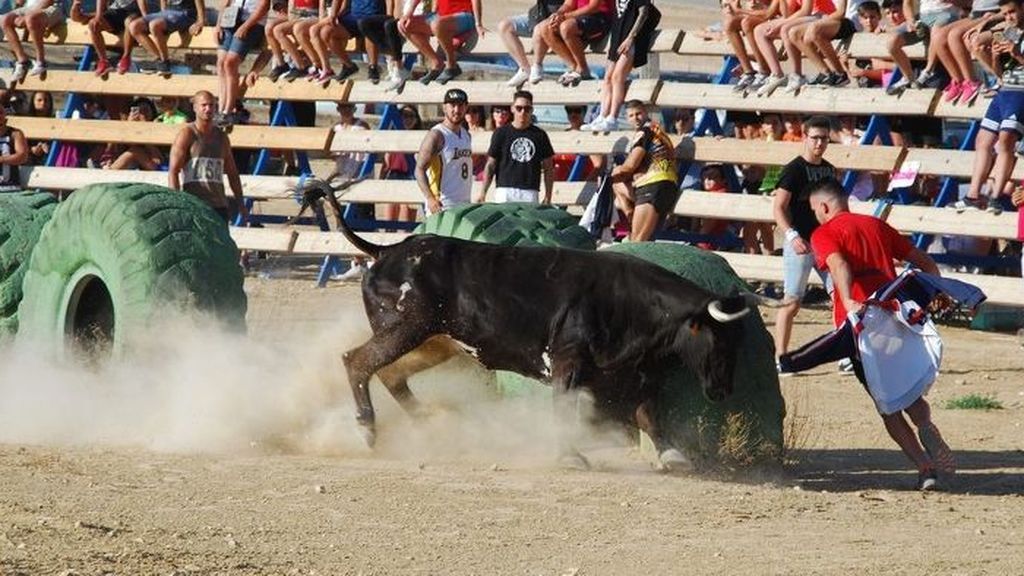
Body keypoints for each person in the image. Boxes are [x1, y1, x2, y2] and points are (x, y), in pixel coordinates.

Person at [799, 177, 954, 491]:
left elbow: (839, 265)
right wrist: (933, 291)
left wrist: (848, 301)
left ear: (824, 207)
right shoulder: (876, 225)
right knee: (907, 390)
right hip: (896, 318)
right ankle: (926, 425)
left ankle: (925, 468)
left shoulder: (824, 233)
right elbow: (925, 262)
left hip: (861, 328)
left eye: (815, 210)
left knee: (886, 401)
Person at [772, 115, 836, 371]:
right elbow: (778, 207)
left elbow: (834, 206)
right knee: (792, 300)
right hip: (800, 241)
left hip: (824, 241)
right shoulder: (794, 169)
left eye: (824, 138)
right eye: (815, 138)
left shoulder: (829, 169)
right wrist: (791, 235)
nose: (819, 143)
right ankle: (781, 356)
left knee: (840, 296)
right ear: (804, 137)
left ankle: (843, 354)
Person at [957, 0, 1024, 212]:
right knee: (983, 140)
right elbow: (1000, 74)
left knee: (1005, 140)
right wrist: (993, 57)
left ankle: (996, 197)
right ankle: (973, 195)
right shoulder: (1011, 32)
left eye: (1012, 12)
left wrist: (1018, 55)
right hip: (1005, 91)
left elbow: (1018, 58)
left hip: (1021, 93)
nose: (1009, 18)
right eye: (1005, 14)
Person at [169, 90, 250, 224]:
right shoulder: (187, 134)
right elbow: (173, 171)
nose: (208, 109)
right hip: (195, 204)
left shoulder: (222, 137)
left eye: (212, 105)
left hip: (219, 206)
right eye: (204, 105)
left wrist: (241, 204)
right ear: (195, 108)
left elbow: (232, 173)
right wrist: (177, 203)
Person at [579, 0, 660, 132]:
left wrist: (631, 37)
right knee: (607, 78)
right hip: (617, 37)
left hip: (631, 39)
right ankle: (602, 116)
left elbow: (643, 13)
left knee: (618, 77)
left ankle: (612, 118)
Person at [610, 99, 679, 241]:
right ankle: (630, 214)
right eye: (631, 115)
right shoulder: (655, 130)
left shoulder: (645, 132)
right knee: (617, 185)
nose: (635, 118)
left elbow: (629, 166)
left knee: (638, 242)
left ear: (646, 112)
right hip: (659, 184)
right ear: (626, 118)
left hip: (657, 184)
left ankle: (630, 215)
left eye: (638, 113)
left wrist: (608, 177)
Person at [477, 90, 555, 204]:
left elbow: (549, 168)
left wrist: (548, 196)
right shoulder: (501, 133)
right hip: (504, 190)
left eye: (527, 109)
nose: (523, 112)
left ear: (532, 110)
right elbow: (491, 165)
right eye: (519, 108)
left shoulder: (540, 135)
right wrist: (483, 193)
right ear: (512, 108)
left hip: (530, 191)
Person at [753, 0, 837, 96]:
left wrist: (780, 24)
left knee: (786, 29)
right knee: (759, 30)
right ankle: (777, 75)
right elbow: (787, 14)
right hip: (809, 17)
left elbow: (806, 11)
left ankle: (796, 75)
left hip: (824, 16)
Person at [884, 0, 962, 94]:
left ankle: (928, 72)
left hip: (946, 13)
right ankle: (908, 77)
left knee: (936, 32)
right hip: (923, 16)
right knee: (892, 43)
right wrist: (910, 20)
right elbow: (907, 3)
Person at [415, 88, 473, 215]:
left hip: (464, 204)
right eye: (452, 105)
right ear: (444, 107)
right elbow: (419, 169)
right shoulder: (437, 135)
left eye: (460, 105)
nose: (456, 110)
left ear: (466, 107)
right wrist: (430, 198)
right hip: (443, 205)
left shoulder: (466, 135)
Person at [398, 0, 485, 85]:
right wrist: (408, 14)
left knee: (437, 25)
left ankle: (452, 65)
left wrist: (478, 24)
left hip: (465, 16)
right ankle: (436, 62)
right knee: (405, 25)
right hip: (441, 17)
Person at [215, 0, 270, 126]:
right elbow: (226, 2)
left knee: (230, 62)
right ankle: (221, 108)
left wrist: (246, 26)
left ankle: (228, 110)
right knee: (221, 62)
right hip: (230, 19)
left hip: (252, 23)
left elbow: (264, 6)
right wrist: (218, 25)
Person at [534, 0, 612, 86]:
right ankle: (574, 67)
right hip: (579, 17)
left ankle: (583, 69)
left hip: (600, 17)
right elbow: (568, 4)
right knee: (545, 27)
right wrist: (558, 14)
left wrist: (565, 17)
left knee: (567, 27)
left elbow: (594, 7)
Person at [129, 0, 205, 76]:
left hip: (185, 12)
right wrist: (163, 15)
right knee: (134, 26)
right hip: (167, 12)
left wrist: (201, 21)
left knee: (155, 25)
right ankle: (162, 60)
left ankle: (163, 62)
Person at [70, 0, 145, 76]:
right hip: (116, 15)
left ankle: (125, 57)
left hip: (133, 14)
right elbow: (80, 18)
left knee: (129, 22)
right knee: (93, 24)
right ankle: (103, 61)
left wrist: (145, 17)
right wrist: (76, 9)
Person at [500, 0, 563, 87]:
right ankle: (524, 69)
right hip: (540, 14)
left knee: (539, 28)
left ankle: (537, 66)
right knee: (505, 26)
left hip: (563, 16)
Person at [724, 0, 782, 93]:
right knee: (730, 23)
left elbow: (768, 13)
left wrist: (740, 10)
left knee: (747, 23)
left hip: (781, 18)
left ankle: (764, 72)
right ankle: (748, 72)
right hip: (768, 17)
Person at [1, 0, 66, 81]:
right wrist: (15, 13)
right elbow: (19, 2)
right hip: (29, 8)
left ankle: (41, 62)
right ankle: (22, 61)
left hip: (51, 7)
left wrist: (25, 16)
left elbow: (48, 2)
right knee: (5, 20)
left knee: (31, 18)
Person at [0, 106, 29, 192]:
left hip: (11, 188)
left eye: (0, 113)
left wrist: (1, 159)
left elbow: (22, 156)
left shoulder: (15, 134)